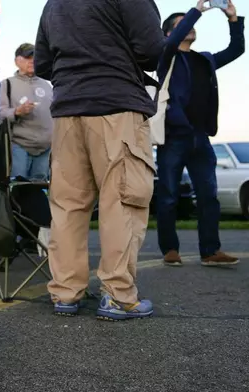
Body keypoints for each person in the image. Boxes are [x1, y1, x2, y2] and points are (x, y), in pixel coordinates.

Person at [34, 0, 165, 321]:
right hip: (116, 104)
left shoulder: (54, 4)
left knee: (67, 205)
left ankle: (65, 291)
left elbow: (42, 64)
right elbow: (152, 49)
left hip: (67, 112)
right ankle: (118, 294)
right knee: (122, 198)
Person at [156, 0, 244, 268]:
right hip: (173, 136)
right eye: (182, 24)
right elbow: (172, 43)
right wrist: (198, 10)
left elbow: (236, 50)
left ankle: (210, 251)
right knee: (168, 194)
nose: (191, 27)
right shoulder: (166, 55)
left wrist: (233, 19)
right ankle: (170, 249)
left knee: (209, 196)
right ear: (170, 32)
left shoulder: (204, 59)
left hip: (201, 136)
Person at [0, 43, 53, 182]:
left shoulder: (47, 85)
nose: (32, 61)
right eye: (28, 57)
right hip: (19, 147)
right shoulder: (7, 84)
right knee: (18, 188)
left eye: (35, 57)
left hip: (45, 149)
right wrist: (17, 111)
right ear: (17, 61)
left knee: (40, 191)